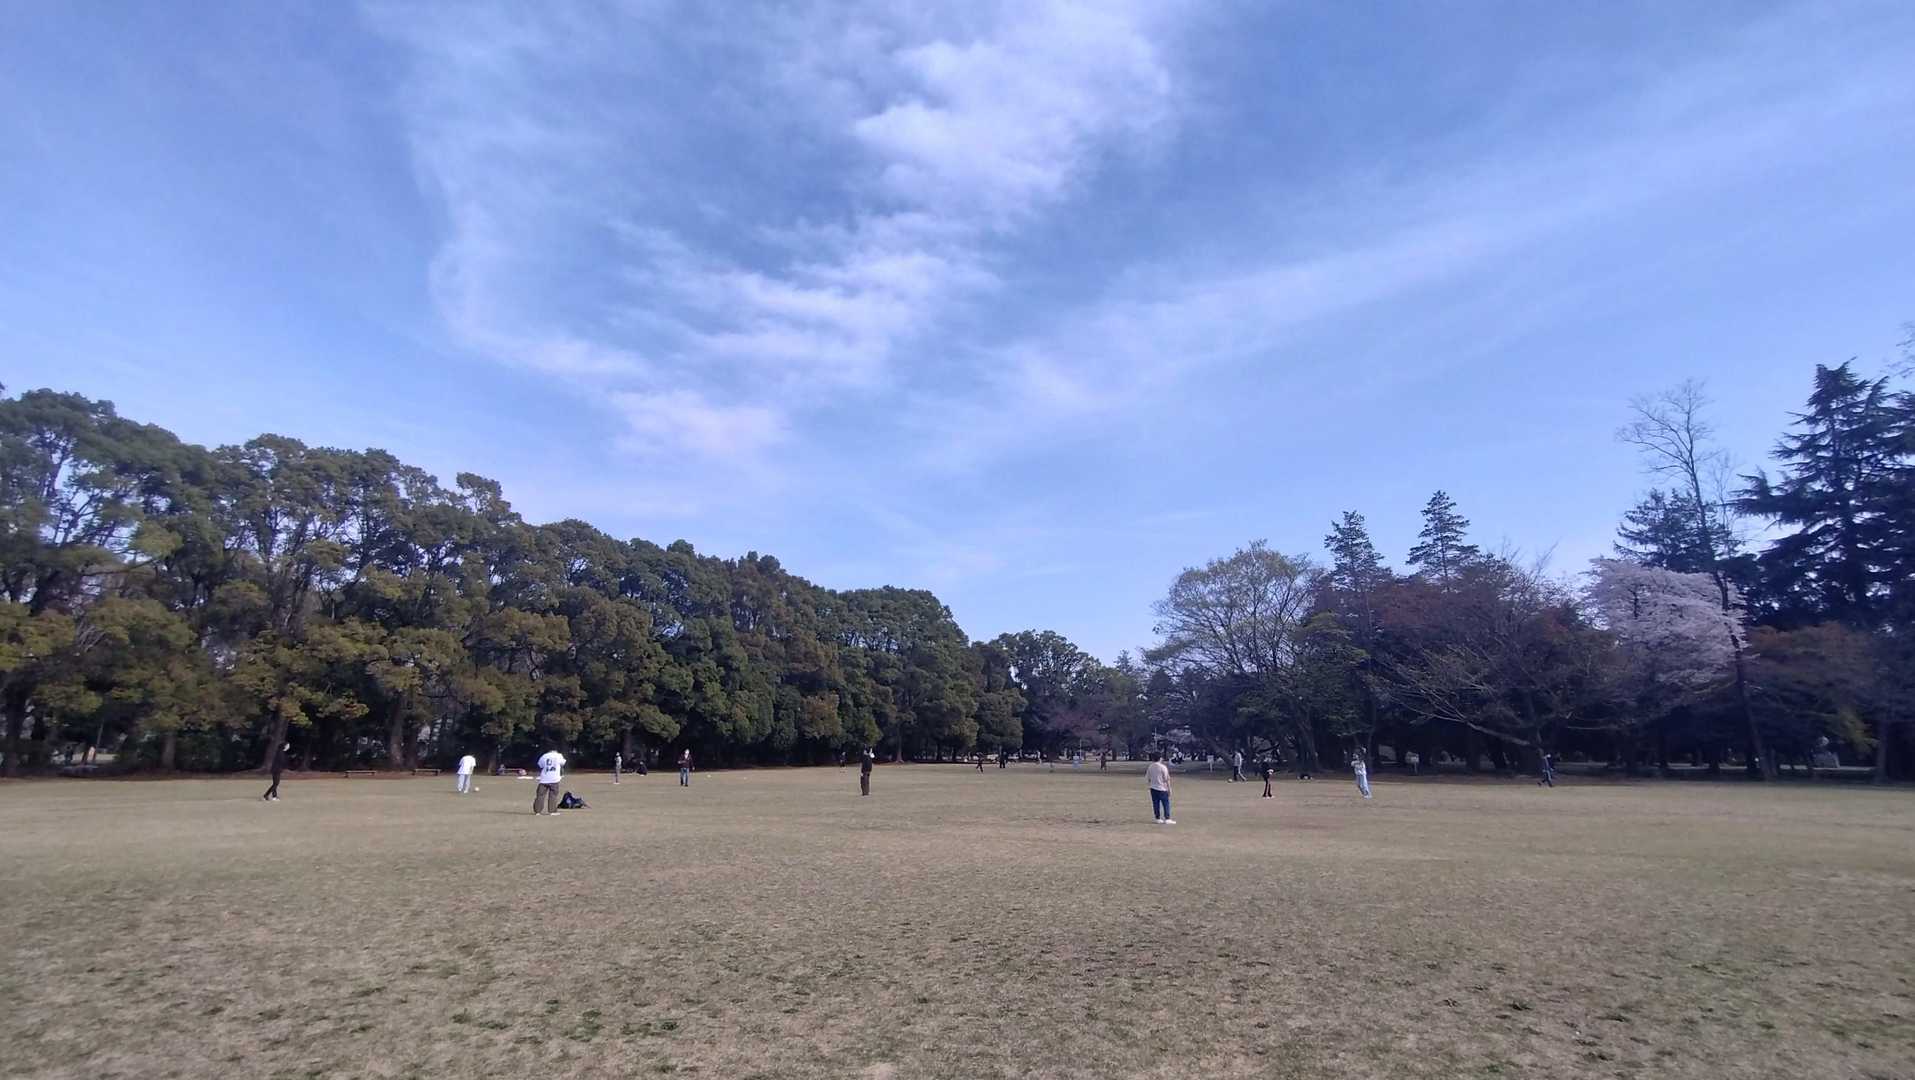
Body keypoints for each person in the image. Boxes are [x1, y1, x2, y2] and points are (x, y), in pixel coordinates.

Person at [533, 748, 566, 815]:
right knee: (553, 795)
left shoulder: (544, 756)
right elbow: (563, 763)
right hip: (554, 779)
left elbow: (540, 765)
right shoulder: (559, 755)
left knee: (540, 795)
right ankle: (552, 811)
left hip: (544, 778)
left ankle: (537, 811)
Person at [1146, 751, 1175, 825]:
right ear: (1160, 758)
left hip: (1153, 788)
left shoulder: (1150, 767)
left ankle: (1157, 818)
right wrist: (1169, 789)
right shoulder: (1163, 767)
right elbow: (1167, 779)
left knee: (1156, 804)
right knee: (1165, 803)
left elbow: (1148, 778)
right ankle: (1167, 818)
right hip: (1162, 788)